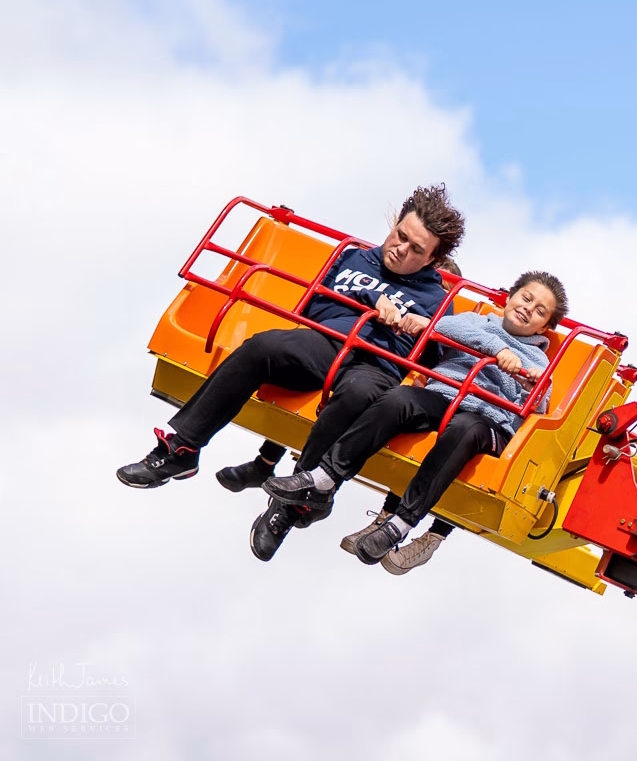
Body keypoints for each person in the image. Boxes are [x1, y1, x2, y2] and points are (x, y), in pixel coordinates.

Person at [115, 185, 466, 531]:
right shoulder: (355, 257)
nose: (400, 249)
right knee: (261, 347)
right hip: (327, 343)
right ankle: (181, 449)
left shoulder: (436, 298)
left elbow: (428, 361)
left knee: (359, 396)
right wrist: (367, 299)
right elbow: (316, 306)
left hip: (375, 364)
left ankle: (294, 501)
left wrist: (418, 328)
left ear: (432, 259)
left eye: (415, 248)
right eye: (399, 235)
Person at [258, 271, 569, 570]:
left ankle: (400, 523)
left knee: (463, 430)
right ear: (510, 297)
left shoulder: (538, 361)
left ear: (544, 328)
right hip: (444, 396)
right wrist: (496, 349)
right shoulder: (476, 322)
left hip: (484, 417)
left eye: (539, 311)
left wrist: (530, 385)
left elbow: (535, 409)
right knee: (398, 399)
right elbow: (445, 329)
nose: (528, 309)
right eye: (526, 298)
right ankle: (325, 478)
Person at [214, 256, 465, 494]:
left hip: (387, 372)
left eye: (446, 292)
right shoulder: (391, 292)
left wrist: (423, 330)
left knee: (353, 394)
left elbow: (434, 359)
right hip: (346, 351)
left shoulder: (438, 314)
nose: (440, 296)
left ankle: (286, 477)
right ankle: (265, 463)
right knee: (314, 375)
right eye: (437, 286)